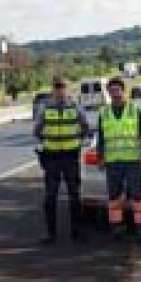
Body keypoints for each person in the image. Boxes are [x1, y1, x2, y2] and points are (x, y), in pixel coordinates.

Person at [33, 75, 90, 244]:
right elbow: (37, 130)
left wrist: (78, 141)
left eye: (63, 88)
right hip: (52, 157)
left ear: (68, 90)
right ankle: (51, 234)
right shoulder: (45, 108)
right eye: (57, 88)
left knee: (75, 195)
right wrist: (47, 142)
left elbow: (85, 126)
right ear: (53, 91)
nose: (60, 92)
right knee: (50, 196)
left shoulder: (76, 107)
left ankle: (77, 231)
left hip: (71, 155)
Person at [97, 77, 141, 244]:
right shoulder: (104, 112)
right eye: (111, 91)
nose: (115, 94)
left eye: (117, 90)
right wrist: (101, 157)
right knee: (114, 197)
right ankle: (117, 229)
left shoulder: (134, 110)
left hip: (132, 161)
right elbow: (101, 138)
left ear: (123, 91)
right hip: (113, 162)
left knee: (138, 197)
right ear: (109, 93)